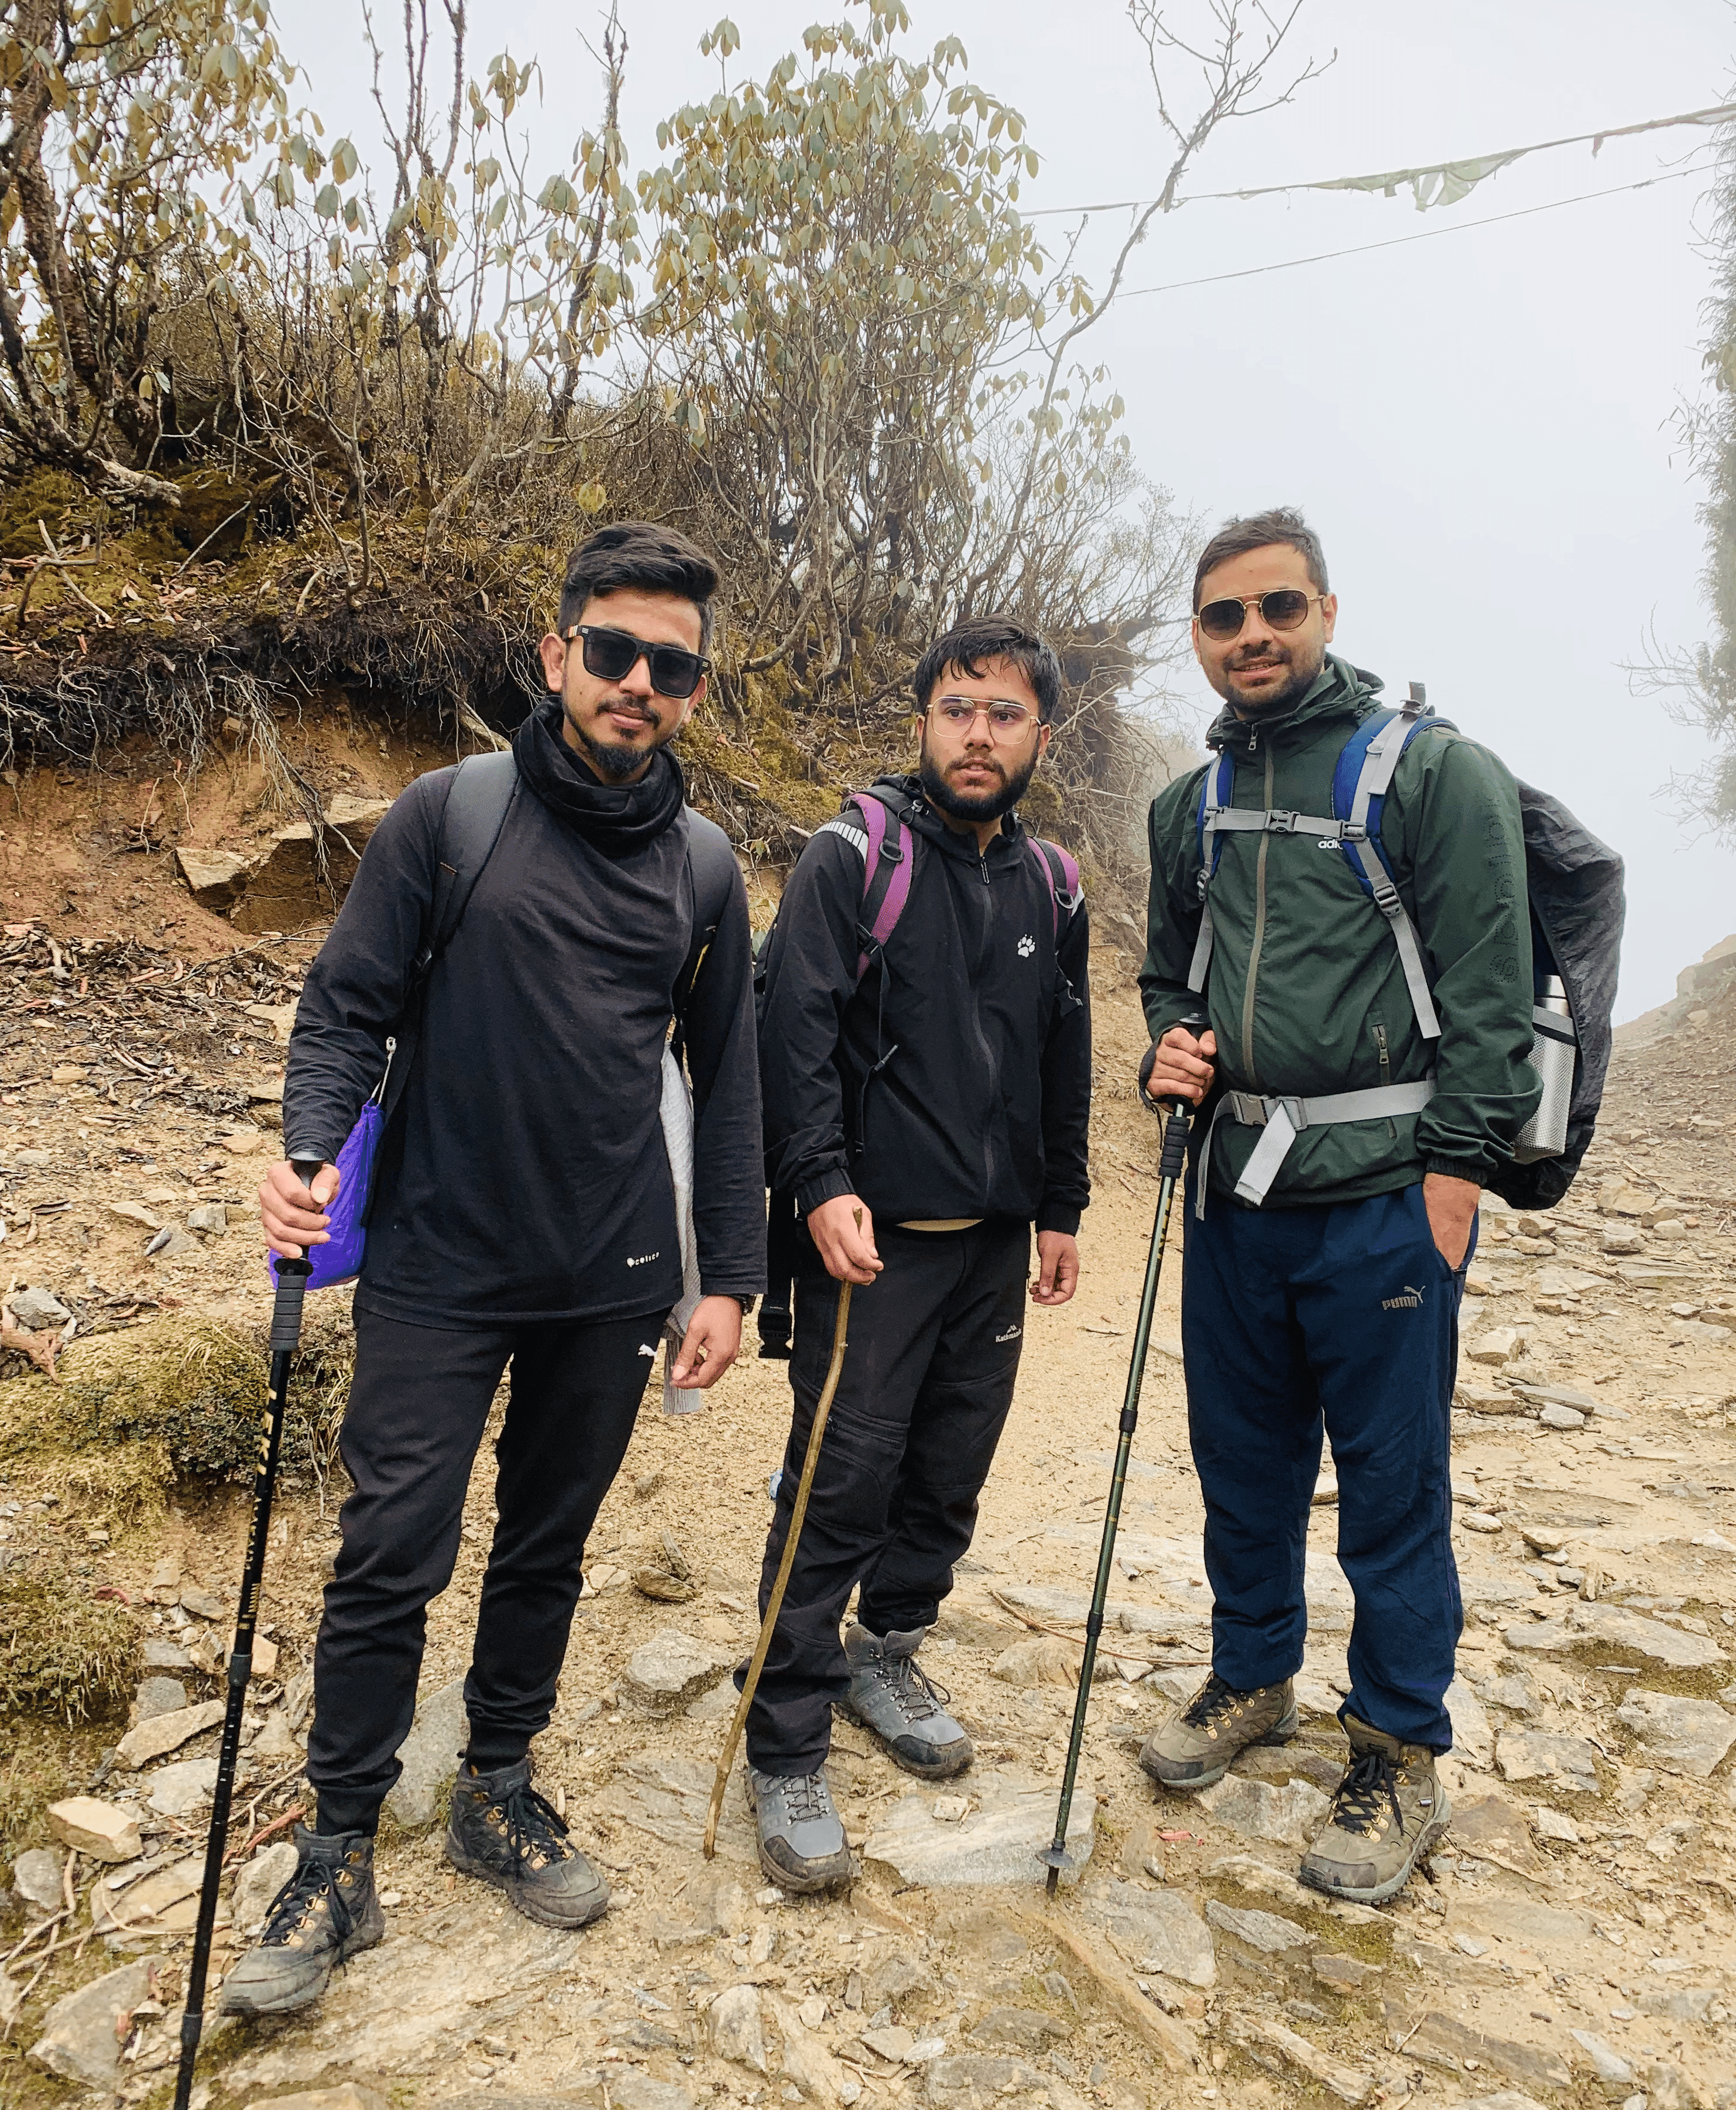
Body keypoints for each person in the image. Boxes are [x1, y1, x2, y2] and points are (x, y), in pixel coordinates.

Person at [226, 521, 766, 2011]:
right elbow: (345, 1009)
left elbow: (732, 1089)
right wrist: (311, 1151)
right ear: (557, 654)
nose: (637, 683)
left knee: (546, 1544)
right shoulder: (447, 819)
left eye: (671, 666)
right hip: (438, 1261)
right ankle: (337, 1848)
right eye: (613, 652)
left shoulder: (708, 873)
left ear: (696, 693)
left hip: (610, 1276)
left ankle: (495, 1787)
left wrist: (729, 1281)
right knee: (390, 1547)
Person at [1138, 506, 1540, 1904]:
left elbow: (1492, 996)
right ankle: (1254, 1678)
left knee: (1390, 1489)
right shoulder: (1183, 806)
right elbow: (1170, 976)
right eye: (1224, 618)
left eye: (1277, 610)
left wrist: (1455, 1177)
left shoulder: (1435, 775)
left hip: (1385, 1200)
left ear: (1325, 612)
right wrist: (1171, 1045)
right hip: (1238, 1197)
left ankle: (1396, 1748)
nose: (1252, 637)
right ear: (1197, 638)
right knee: (1243, 1465)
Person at [740, 616, 1092, 1893]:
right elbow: (796, 1034)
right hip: (868, 1244)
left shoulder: (1052, 884)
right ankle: (784, 1735)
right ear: (925, 722)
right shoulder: (853, 857)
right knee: (838, 1482)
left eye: (1002, 713)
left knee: (948, 1468)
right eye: (957, 709)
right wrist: (820, 1185)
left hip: (992, 1243)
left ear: (1041, 733)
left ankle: (887, 1652)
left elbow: (1067, 1053)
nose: (978, 734)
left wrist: (1064, 1204)